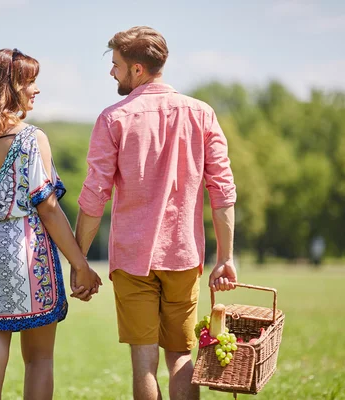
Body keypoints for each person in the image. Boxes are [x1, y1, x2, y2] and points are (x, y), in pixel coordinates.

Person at [74, 27, 238, 400]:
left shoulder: (113, 118)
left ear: (136, 69)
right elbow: (223, 189)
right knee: (181, 357)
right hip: (183, 257)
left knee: (143, 362)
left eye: (115, 65)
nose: (111, 73)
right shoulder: (202, 114)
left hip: (132, 260)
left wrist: (80, 258)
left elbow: (95, 194)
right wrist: (226, 257)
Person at [0, 48, 101, 400]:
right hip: (29, 257)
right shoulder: (31, 138)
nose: (36, 90)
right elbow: (49, 208)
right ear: (10, 86)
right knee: (39, 360)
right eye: (30, 82)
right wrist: (80, 264)